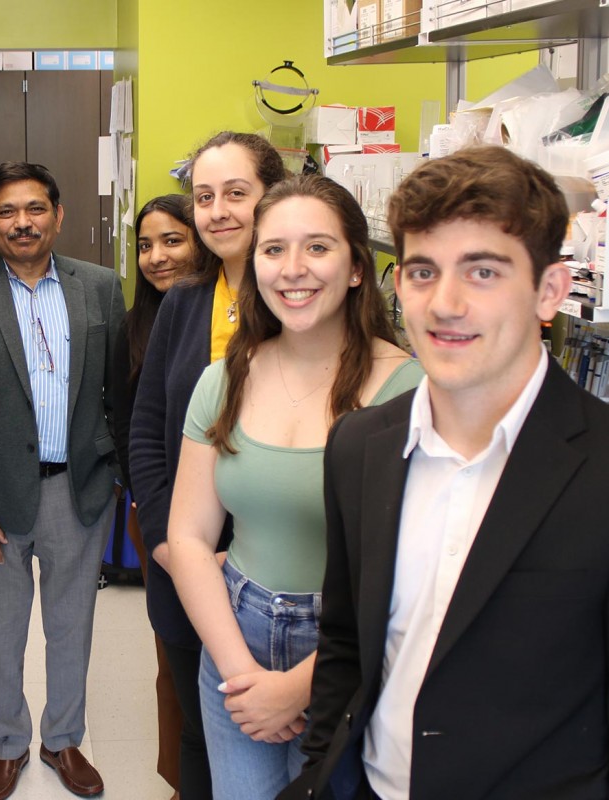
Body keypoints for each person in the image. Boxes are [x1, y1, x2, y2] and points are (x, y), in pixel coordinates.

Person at [282, 146, 609, 800]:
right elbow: (345, 650)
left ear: (548, 290)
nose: (445, 303)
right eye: (422, 271)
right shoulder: (361, 447)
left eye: (483, 271)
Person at [169, 175, 420, 800]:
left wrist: (300, 686)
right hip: (235, 635)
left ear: (358, 267)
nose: (293, 269)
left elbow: (416, 580)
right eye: (273, 249)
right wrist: (241, 676)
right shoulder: (224, 378)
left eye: (318, 247)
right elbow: (189, 537)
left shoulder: (409, 395)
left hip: (354, 655)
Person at [0, 161, 124, 800]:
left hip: (80, 489)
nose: (23, 222)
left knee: (73, 625)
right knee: (1, 630)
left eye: (35, 208)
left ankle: (62, 739)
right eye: (8, 212)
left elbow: (117, 392)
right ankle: (8, 744)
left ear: (58, 215)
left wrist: (117, 475)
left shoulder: (98, 287)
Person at [129, 131, 285, 799]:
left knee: (281, 734)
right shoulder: (185, 302)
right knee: (198, 729)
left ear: (272, 197)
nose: (217, 211)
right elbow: (146, 432)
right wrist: (170, 544)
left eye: (235, 194)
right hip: (183, 561)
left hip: (276, 569)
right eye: (203, 197)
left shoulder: (298, 297)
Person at [109, 193, 201, 796]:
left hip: (225, 525)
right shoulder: (138, 325)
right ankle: (182, 779)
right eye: (145, 245)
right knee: (173, 663)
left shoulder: (230, 317)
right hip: (158, 517)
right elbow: (128, 423)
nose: (157, 257)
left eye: (173, 240)